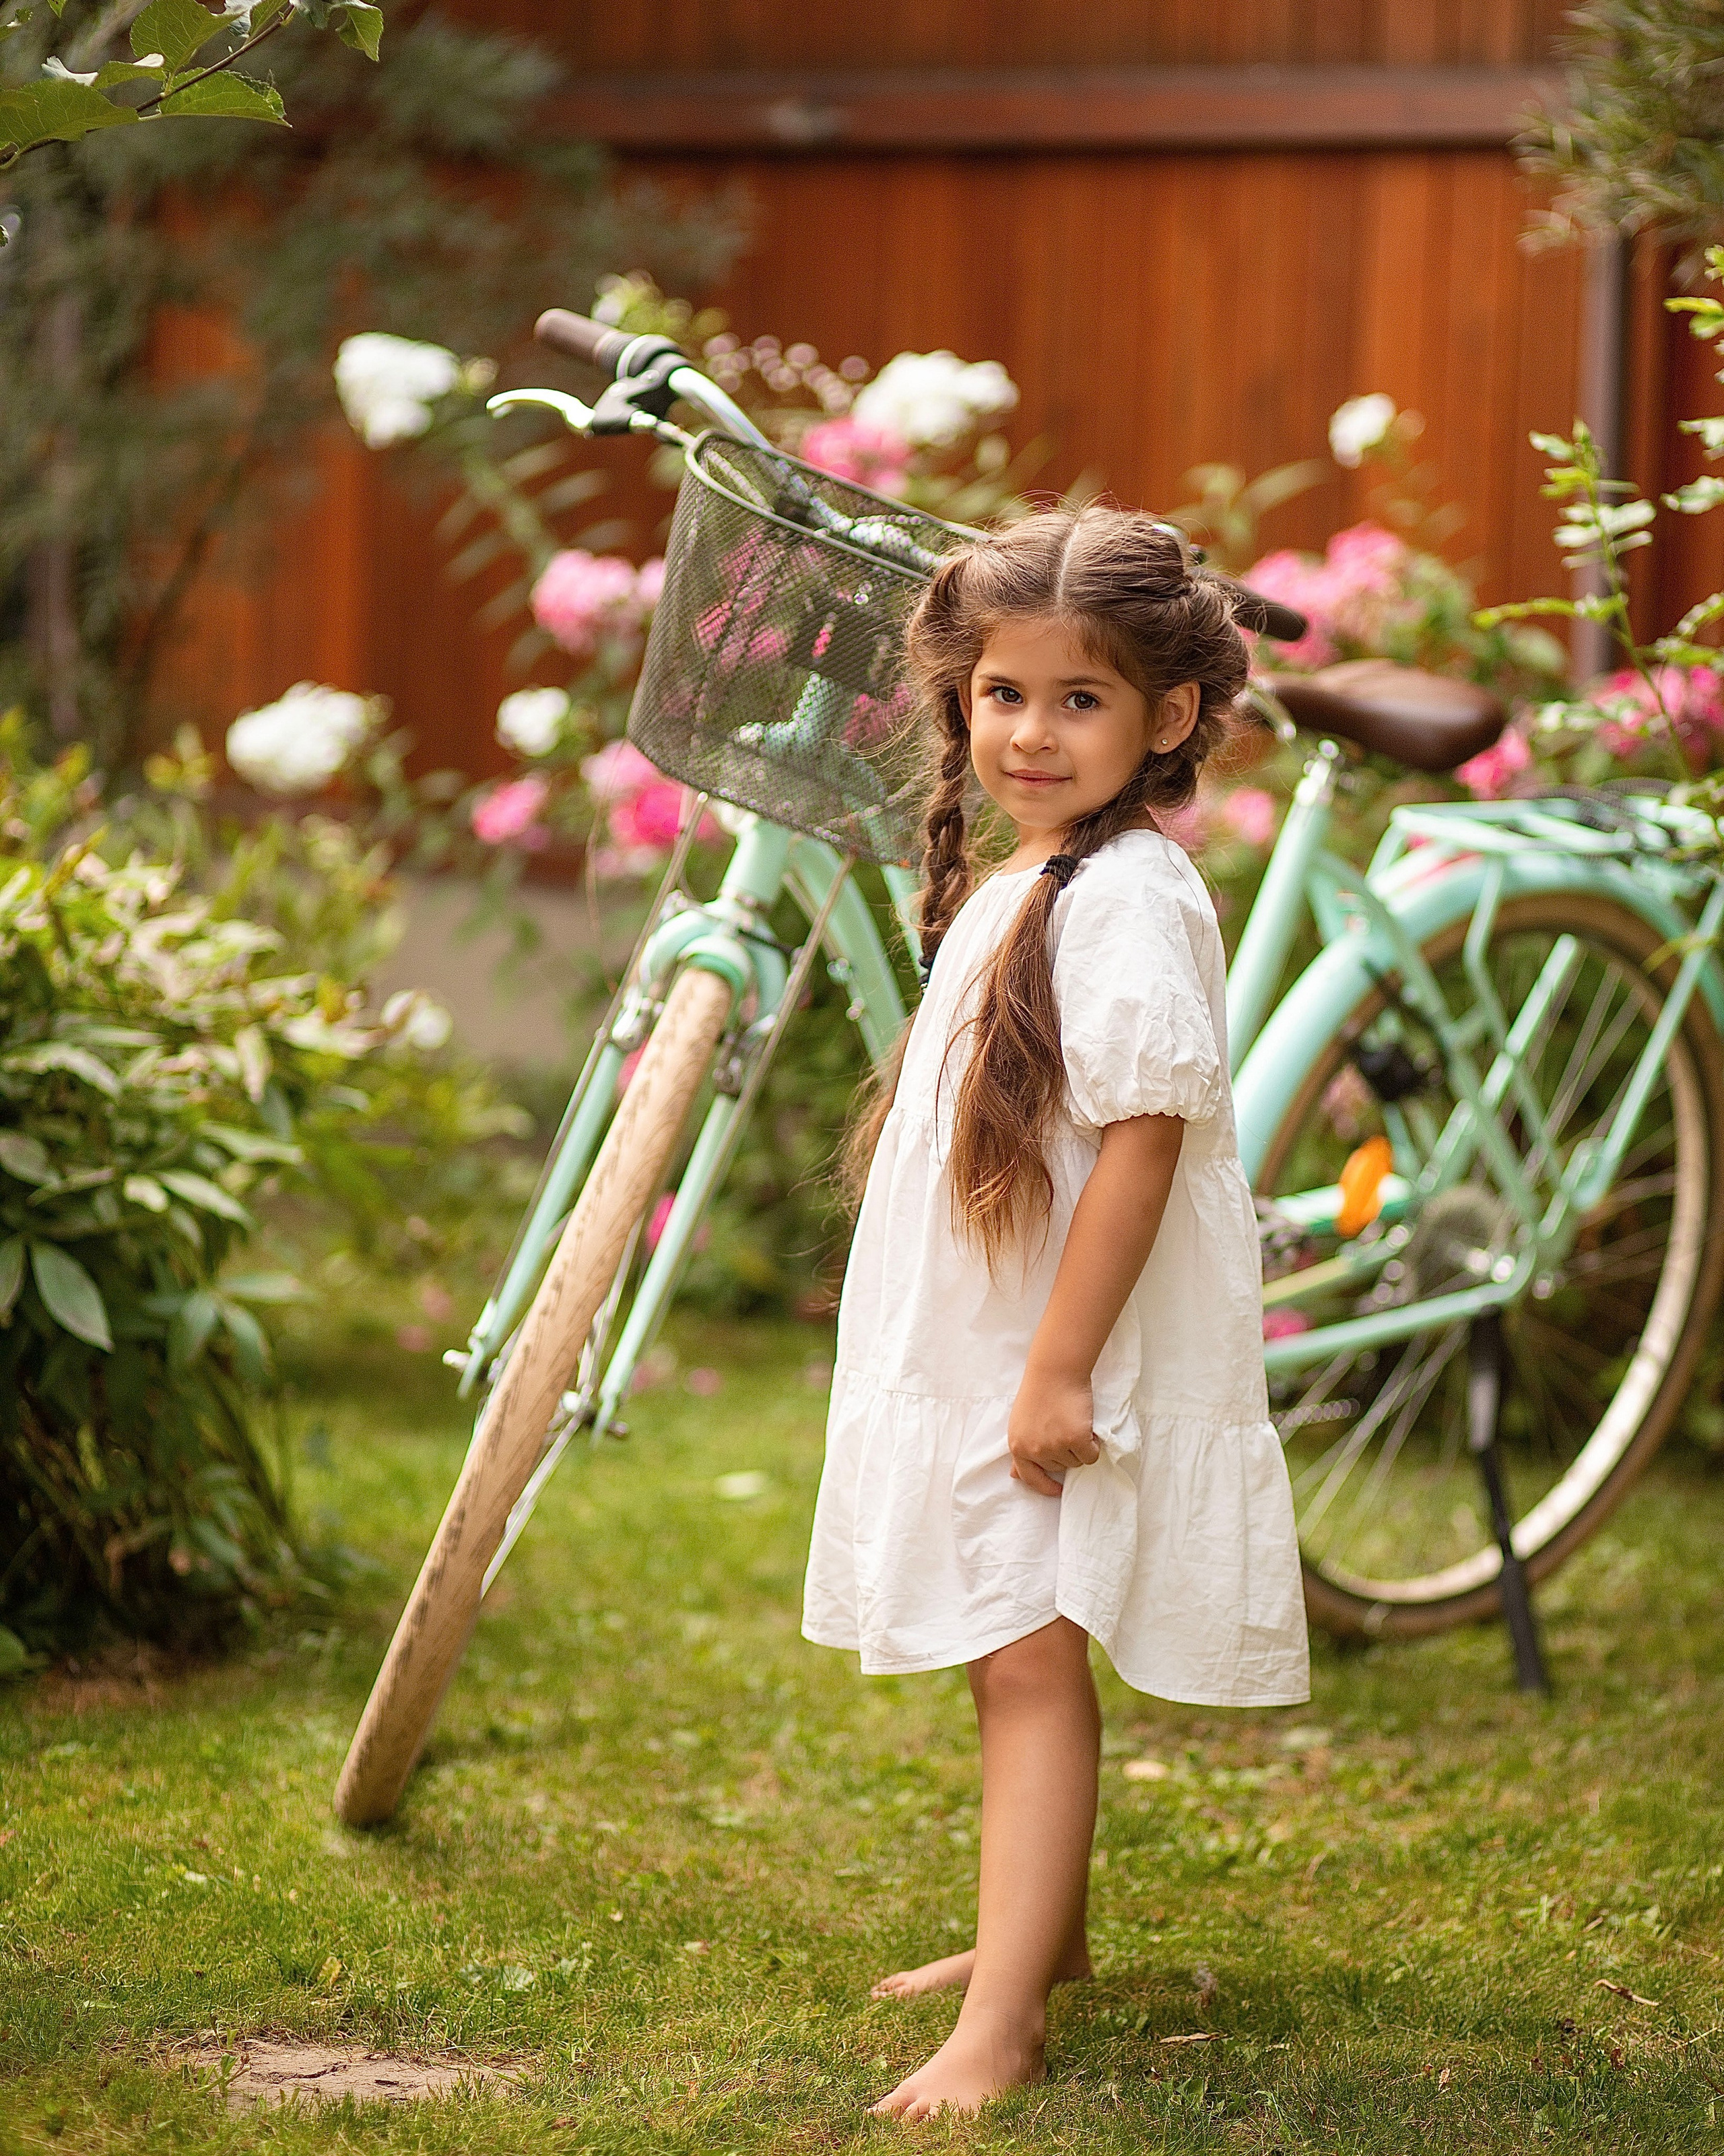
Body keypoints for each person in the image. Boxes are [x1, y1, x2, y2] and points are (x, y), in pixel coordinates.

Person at [801, 508, 1310, 2120]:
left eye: (1075, 700)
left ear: (1166, 715)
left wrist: (1055, 1367)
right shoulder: (1049, 871)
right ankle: (1042, 1939)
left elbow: (1142, 1140)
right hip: (1000, 1338)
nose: (1027, 731)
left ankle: (1002, 2022)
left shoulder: (1126, 898)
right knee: (1001, 1635)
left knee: (1024, 1655)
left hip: (1051, 1348)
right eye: (1000, 693)